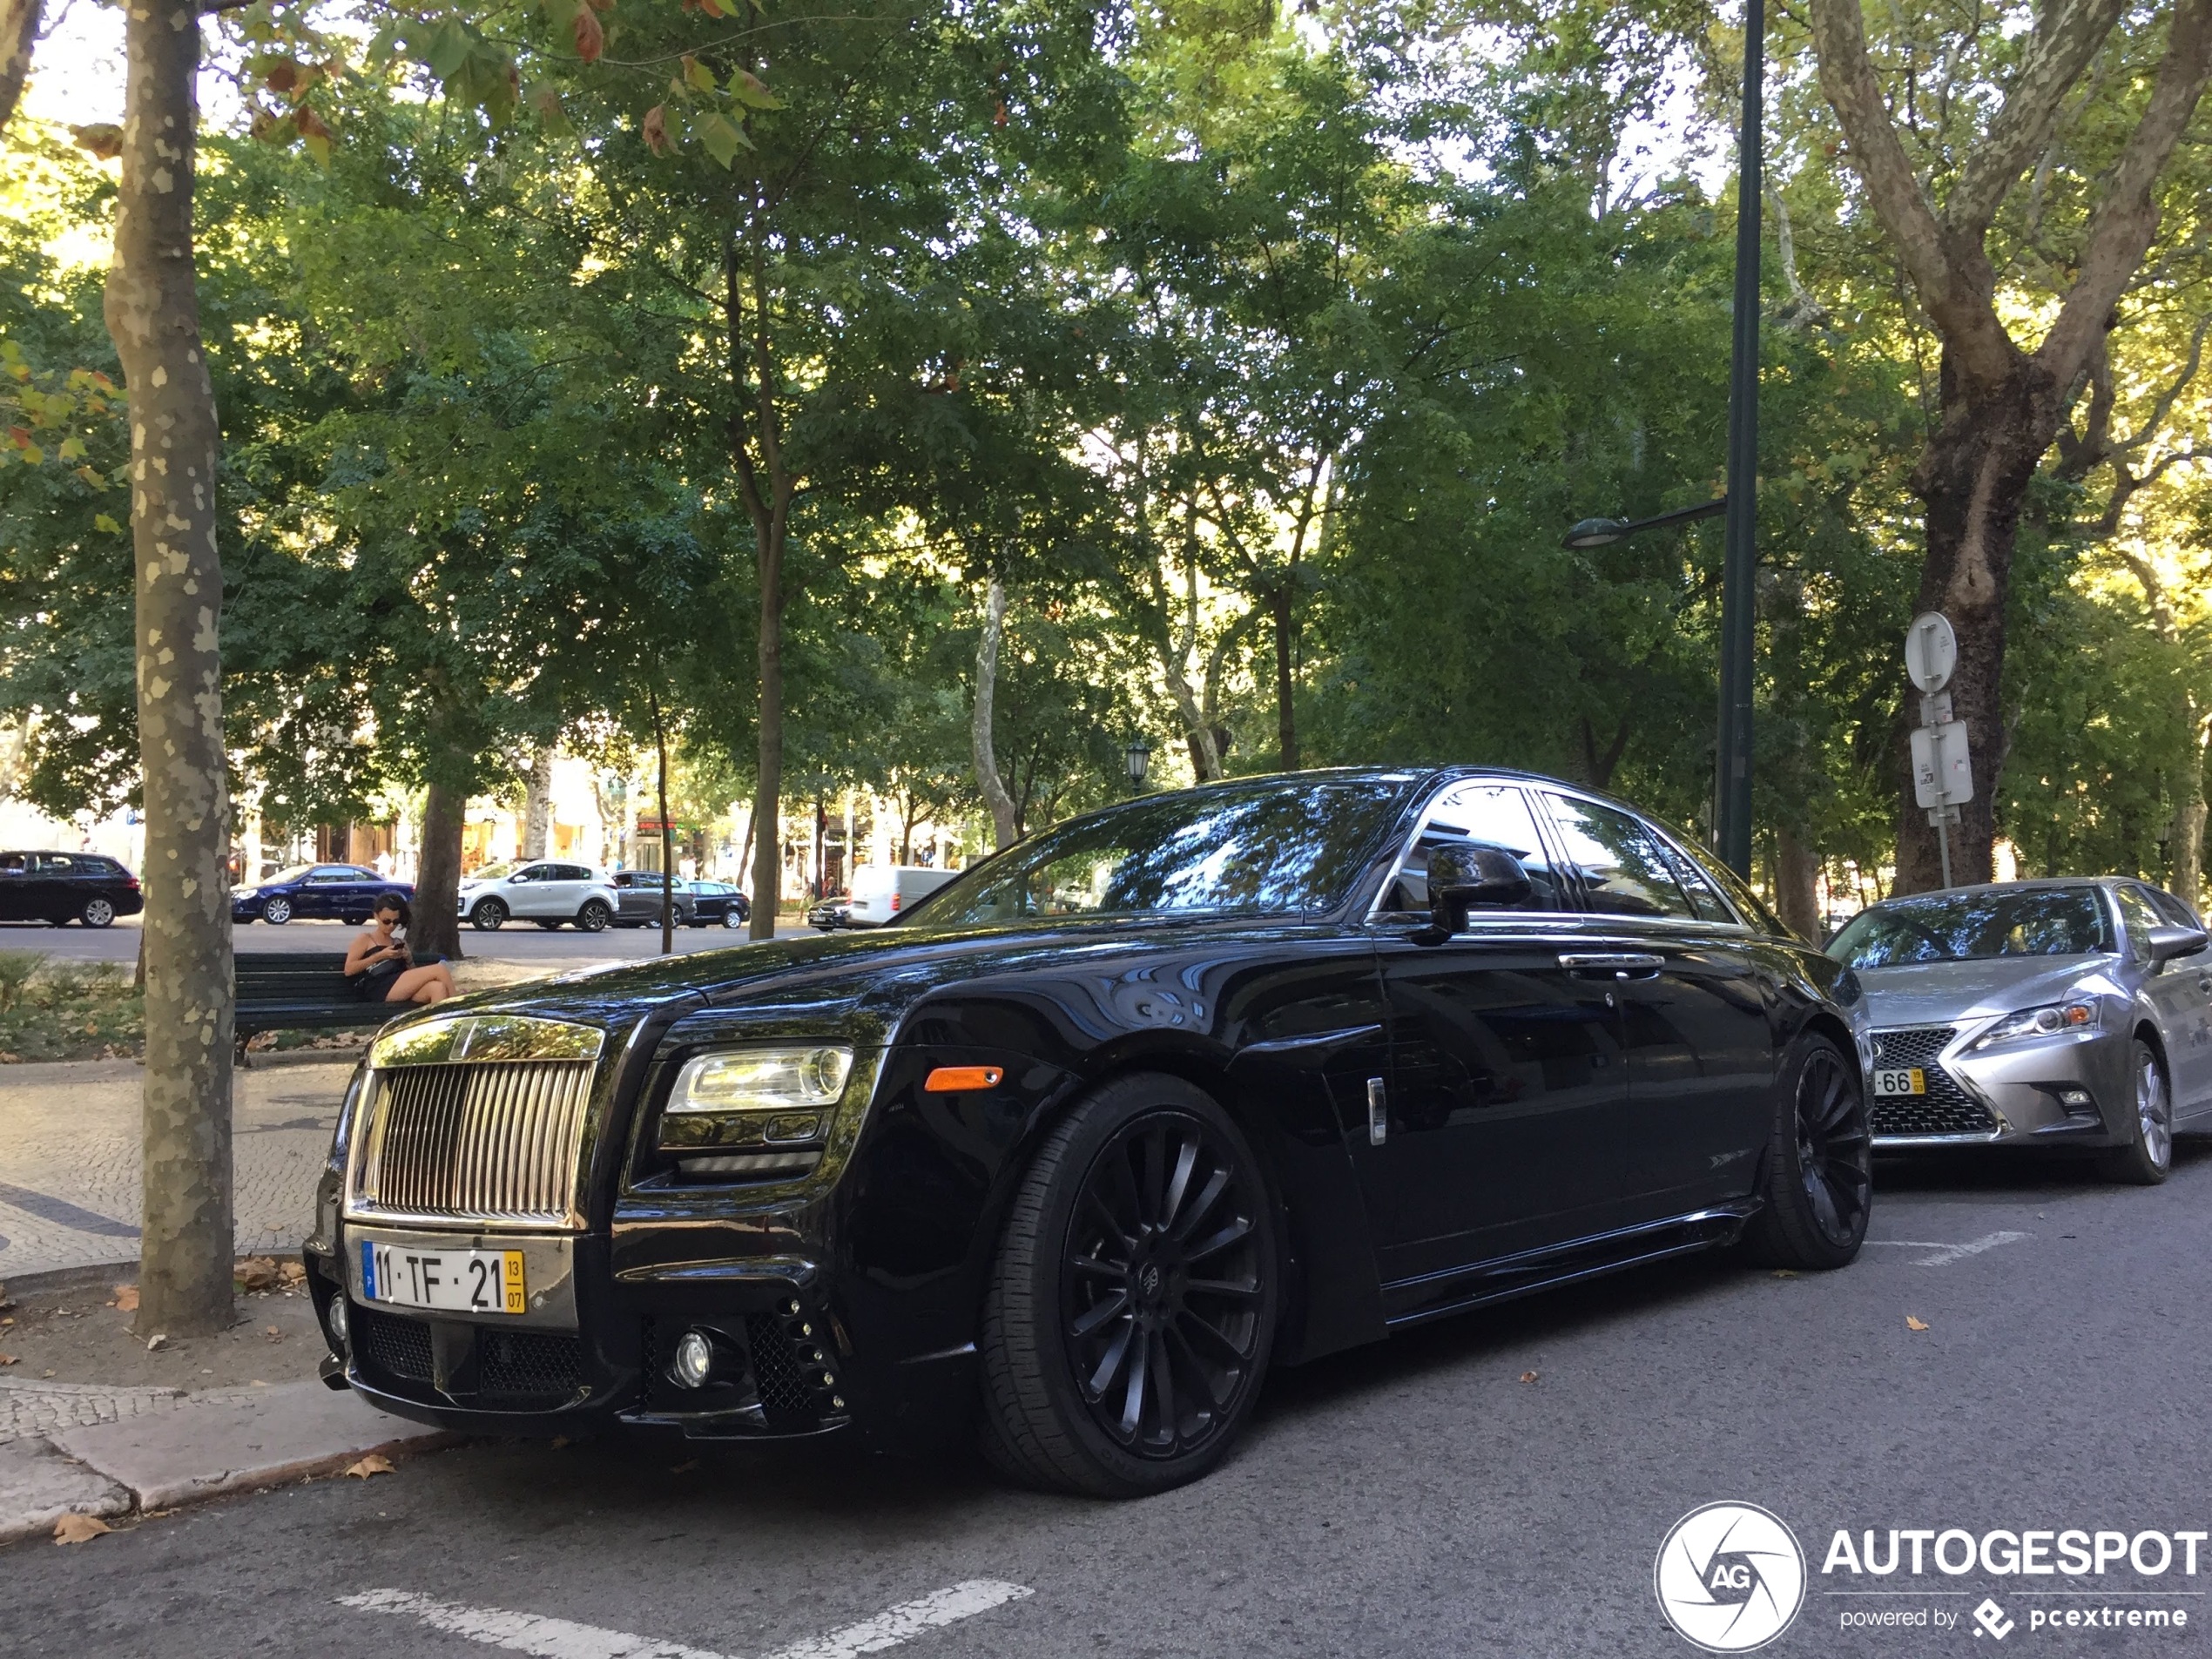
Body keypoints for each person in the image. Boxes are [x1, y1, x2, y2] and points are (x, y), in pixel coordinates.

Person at [345, 894, 456, 1008]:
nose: (391, 926)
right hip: (379, 987)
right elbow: (349, 970)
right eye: (386, 921)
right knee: (439, 970)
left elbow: (412, 973)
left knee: (437, 987)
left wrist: (408, 959)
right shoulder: (366, 939)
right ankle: (459, 1008)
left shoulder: (399, 942)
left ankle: (438, 1023)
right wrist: (380, 956)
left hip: (401, 986)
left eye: (395, 921)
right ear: (376, 916)